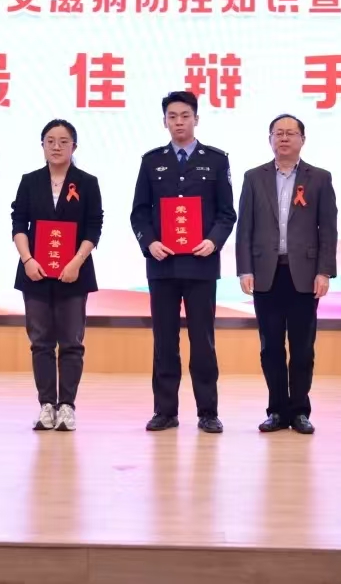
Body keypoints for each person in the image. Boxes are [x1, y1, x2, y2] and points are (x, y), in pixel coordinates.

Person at [130, 90, 237, 434]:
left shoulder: (216, 160)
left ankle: (208, 411)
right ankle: (165, 411)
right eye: (172, 116)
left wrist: (213, 241)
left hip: (201, 265)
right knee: (164, 341)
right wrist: (150, 243)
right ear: (164, 122)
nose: (179, 122)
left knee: (202, 341)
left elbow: (226, 213)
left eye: (185, 116)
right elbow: (139, 213)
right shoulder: (152, 161)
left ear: (196, 119)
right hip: (162, 265)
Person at [235, 113, 337, 435]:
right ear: (270, 139)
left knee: (303, 347)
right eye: (278, 133)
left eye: (290, 133)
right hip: (266, 274)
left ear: (302, 140)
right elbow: (244, 227)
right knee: (270, 348)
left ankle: (300, 411)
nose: (283, 138)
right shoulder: (254, 177)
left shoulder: (319, 178)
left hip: (304, 276)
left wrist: (324, 271)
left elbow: (328, 229)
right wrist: (244, 268)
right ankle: (277, 410)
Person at [11, 119, 104, 432]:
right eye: (50, 141)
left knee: (71, 342)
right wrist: (27, 259)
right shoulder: (30, 181)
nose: (56, 146)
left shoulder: (87, 182)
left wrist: (76, 262)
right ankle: (46, 405)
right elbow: (18, 224)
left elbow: (94, 227)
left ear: (74, 146)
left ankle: (67, 406)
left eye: (64, 141)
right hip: (35, 272)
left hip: (73, 273)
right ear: (42, 145)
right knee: (40, 341)